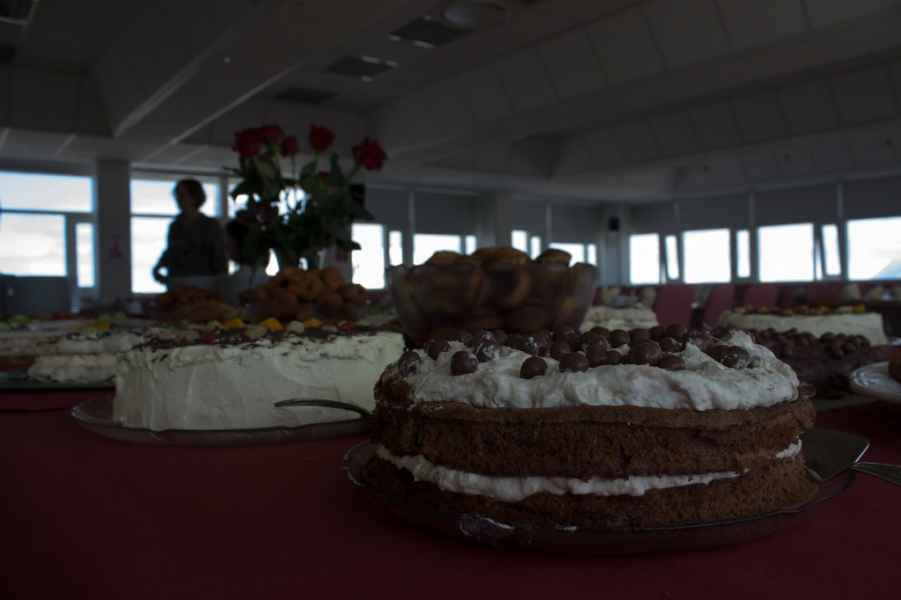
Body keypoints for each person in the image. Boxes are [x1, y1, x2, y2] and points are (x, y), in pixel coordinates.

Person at [152, 179, 228, 288]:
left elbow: (219, 257)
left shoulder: (210, 225)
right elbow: (171, 251)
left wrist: (222, 284)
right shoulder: (175, 226)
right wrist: (158, 267)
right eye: (177, 195)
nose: (178, 199)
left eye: (182, 195)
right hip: (177, 283)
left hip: (203, 285)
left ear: (194, 197)